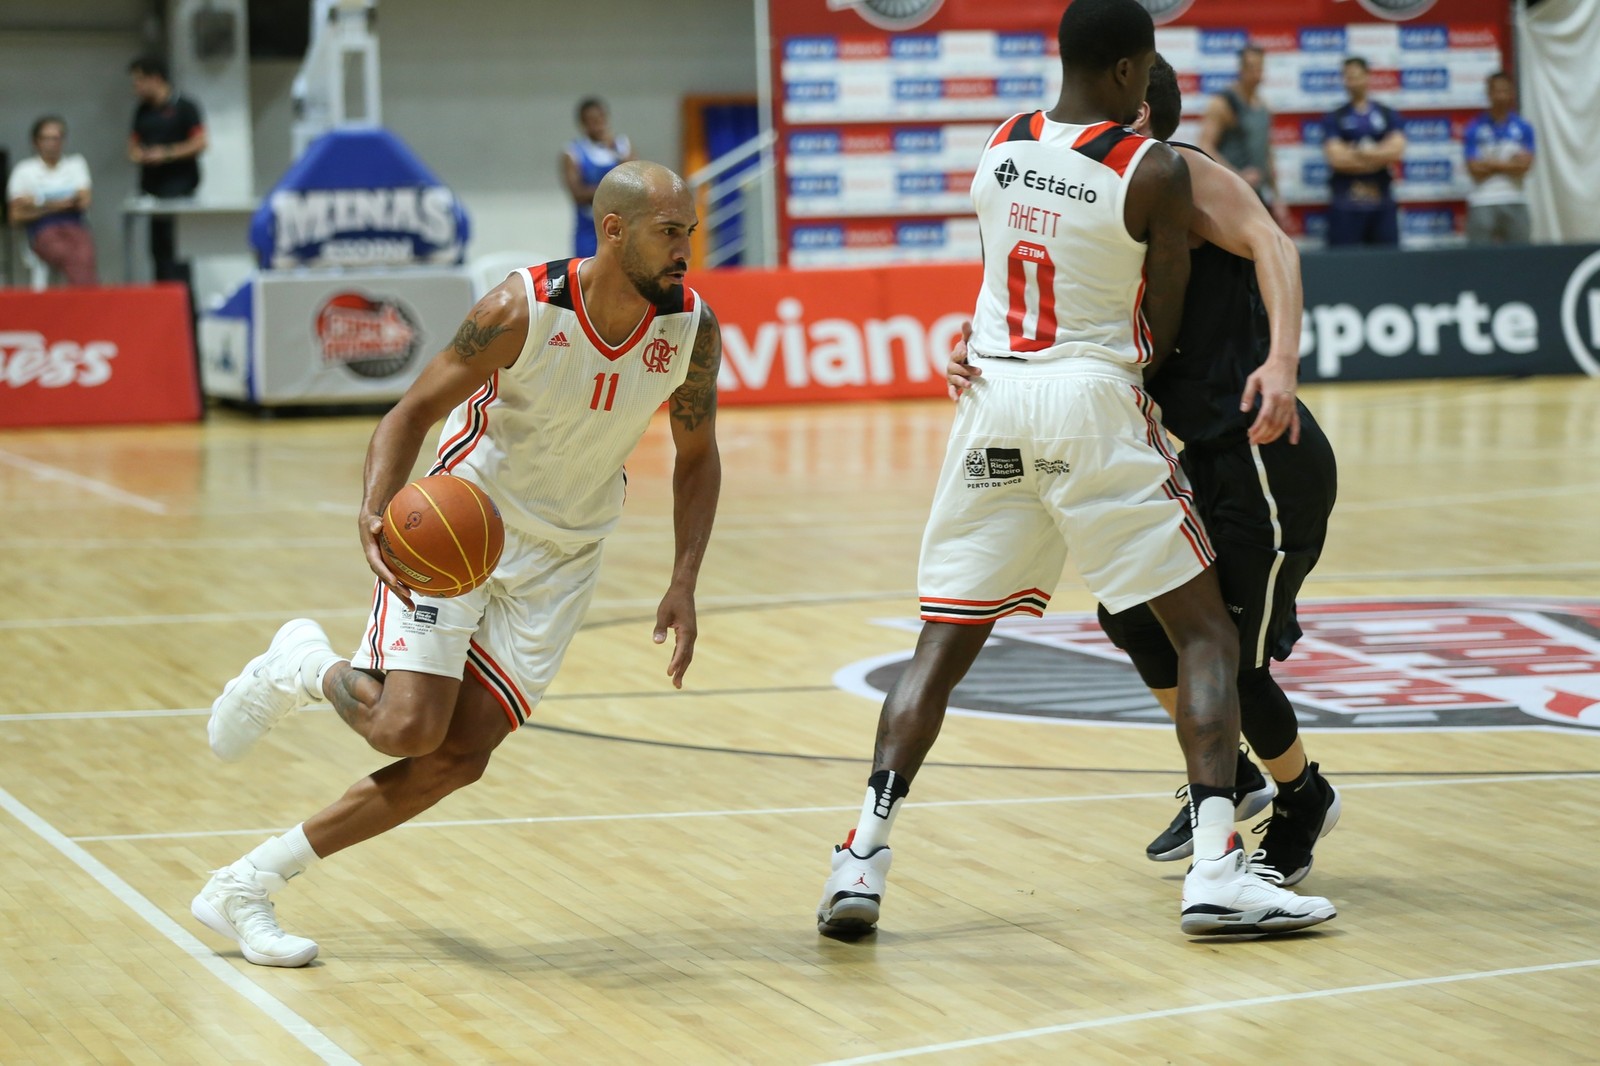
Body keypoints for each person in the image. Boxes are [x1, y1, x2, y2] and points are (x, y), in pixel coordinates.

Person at [815, 0, 1334, 942]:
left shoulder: (1001, 144)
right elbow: (1163, 318)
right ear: (1133, 73)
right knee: (1207, 636)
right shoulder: (1154, 168)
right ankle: (1219, 869)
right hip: (1090, 399)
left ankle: (861, 856)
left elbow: (1000, 278)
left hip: (991, 401)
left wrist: (975, 345)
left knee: (942, 642)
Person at [190, 161, 723, 967]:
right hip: (463, 527)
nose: (687, 249)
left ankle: (246, 883)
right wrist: (374, 506)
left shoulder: (691, 327)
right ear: (612, 230)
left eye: (689, 231)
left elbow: (697, 456)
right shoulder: (520, 309)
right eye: (669, 232)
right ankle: (301, 666)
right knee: (406, 729)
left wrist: (683, 579)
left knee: (457, 758)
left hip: (565, 556)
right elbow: (411, 411)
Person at [949, 55, 1340, 886]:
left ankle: (1303, 796)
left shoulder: (1184, 174)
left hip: (1262, 456)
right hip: (1194, 456)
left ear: (1129, 114)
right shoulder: (1098, 202)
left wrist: (1281, 361)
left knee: (1227, 652)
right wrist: (979, 346)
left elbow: (1273, 242)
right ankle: (1228, 776)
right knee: (1130, 615)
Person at [128, 56, 207, 284]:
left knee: (178, 257)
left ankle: (187, 314)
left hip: (180, 192)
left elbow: (200, 142)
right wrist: (140, 155)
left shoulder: (185, 106)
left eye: (139, 81)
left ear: (155, 78)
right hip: (153, 194)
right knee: (159, 256)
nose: (136, 88)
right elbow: (132, 146)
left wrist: (166, 154)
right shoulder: (142, 111)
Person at [1196, 45, 1290, 229]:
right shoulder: (1223, 104)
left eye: (1260, 67)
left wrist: (1277, 197)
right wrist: (1237, 175)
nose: (1257, 74)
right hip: (1227, 195)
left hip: (1255, 195)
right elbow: (1204, 146)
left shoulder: (1264, 107)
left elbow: (1267, 152)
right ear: (1241, 69)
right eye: (1252, 68)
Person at [1320, 56, 1406, 248]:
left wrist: (1356, 151)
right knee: (1343, 267)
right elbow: (1337, 159)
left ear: (1368, 77)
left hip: (1381, 205)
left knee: (1388, 264)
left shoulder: (1386, 113)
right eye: (1348, 77)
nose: (1352, 82)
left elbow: (1396, 152)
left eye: (1357, 76)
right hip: (1345, 205)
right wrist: (1378, 154)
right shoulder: (1335, 117)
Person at [6, 116, 98, 286]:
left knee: (84, 254)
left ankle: (86, 301)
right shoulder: (24, 171)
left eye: (56, 138)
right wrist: (60, 203)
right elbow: (15, 216)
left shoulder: (75, 164)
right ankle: (91, 302)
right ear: (36, 142)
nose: (51, 143)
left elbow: (83, 201)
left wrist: (36, 201)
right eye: (46, 138)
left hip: (75, 227)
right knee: (70, 256)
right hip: (42, 230)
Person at [1462, 72, 1535, 246]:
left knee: (1521, 260)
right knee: (1479, 261)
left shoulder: (1523, 127)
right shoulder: (1474, 128)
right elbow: (1474, 170)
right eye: (1497, 91)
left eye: (1505, 91)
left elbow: (1524, 167)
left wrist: (1490, 162)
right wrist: (1509, 163)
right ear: (1489, 93)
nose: (1501, 96)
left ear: (1511, 94)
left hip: (1515, 199)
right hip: (1482, 201)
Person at [562, 97, 634, 259]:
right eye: (592, 120)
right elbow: (578, 194)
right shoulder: (573, 152)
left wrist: (615, 151)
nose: (598, 124)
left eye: (601, 118)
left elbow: (635, 180)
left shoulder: (622, 146)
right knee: (586, 278)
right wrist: (615, 188)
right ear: (583, 123)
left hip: (621, 227)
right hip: (589, 229)